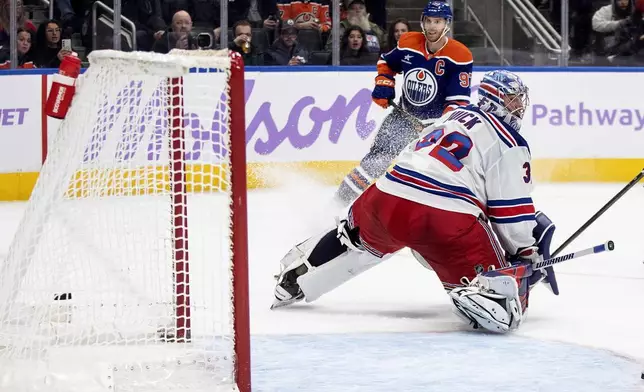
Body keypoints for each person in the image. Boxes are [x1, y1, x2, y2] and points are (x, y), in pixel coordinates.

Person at [271, 70, 560, 334]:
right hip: (443, 221)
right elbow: (510, 213)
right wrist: (525, 255)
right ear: (496, 99)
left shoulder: (452, 116)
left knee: (356, 240)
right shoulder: (509, 141)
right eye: (512, 100)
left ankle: (299, 276)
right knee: (508, 310)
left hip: (383, 197)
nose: (519, 107)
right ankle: (483, 289)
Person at [334, 1, 473, 207]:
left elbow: (458, 102)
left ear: (447, 24)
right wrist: (384, 83)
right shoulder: (409, 41)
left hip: (434, 129)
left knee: (427, 176)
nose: (432, 26)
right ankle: (338, 203)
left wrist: (436, 129)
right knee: (376, 160)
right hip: (402, 116)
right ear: (422, 21)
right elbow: (386, 62)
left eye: (438, 21)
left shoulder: (460, 55)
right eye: (428, 21)